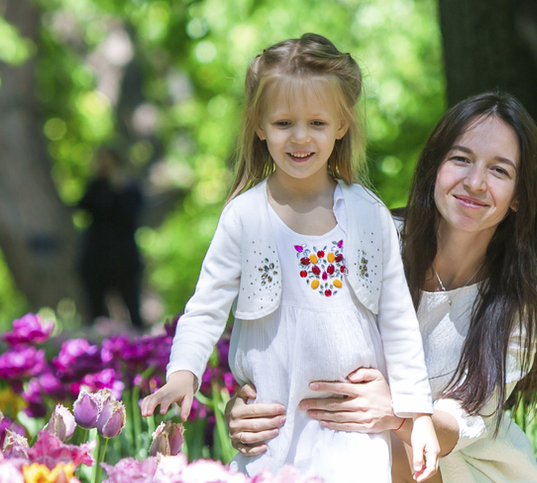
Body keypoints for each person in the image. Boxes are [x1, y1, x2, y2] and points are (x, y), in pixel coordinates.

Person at [138, 34, 440, 482]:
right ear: (259, 125)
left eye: (317, 122)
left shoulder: (368, 214)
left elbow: (398, 321)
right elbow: (205, 309)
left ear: (341, 125)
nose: (300, 137)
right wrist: (183, 373)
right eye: (283, 123)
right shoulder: (244, 216)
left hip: (352, 433)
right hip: (272, 428)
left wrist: (419, 415)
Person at [225, 92, 537, 483]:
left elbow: (468, 421)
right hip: (351, 452)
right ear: (435, 166)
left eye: (499, 171)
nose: (475, 182)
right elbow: (298, 342)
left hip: (464, 469)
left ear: (519, 196)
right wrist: (246, 406)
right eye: (461, 159)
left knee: (380, 440)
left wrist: (397, 413)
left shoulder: (530, 297)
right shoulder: (369, 240)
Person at [76, 147, 147, 329]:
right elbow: (83, 206)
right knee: (96, 314)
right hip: (96, 258)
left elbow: (131, 215)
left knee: (133, 310)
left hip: (124, 258)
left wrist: (117, 187)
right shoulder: (95, 187)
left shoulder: (130, 188)